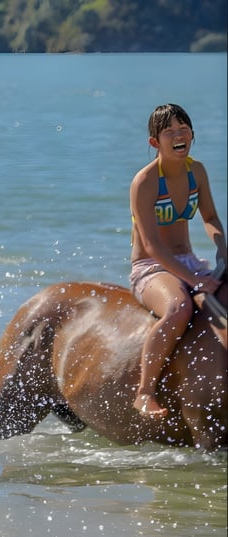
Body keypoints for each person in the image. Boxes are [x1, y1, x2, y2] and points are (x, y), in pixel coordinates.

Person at [128, 103, 226, 417]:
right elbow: (152, 246)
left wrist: (222, 248)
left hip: (190, 261)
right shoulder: (144, 182)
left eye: (183, 129)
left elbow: (210, 216)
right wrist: (196, 280)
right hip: (152, 268)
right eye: (169, 131)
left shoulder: (196, 171)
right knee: (179, 307)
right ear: (154, 142)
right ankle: (144, 393)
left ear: (192, 134)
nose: (178, 135)